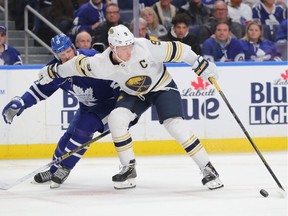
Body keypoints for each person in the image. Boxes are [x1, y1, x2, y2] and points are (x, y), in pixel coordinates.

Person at [38, 24, 224, 191]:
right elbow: (75, 66)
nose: (129, 51)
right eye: (123, 48)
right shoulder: (100, 64)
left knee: (175, 125)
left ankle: (208, 169)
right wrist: (52, 71)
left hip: (161, 87)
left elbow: (179, 50)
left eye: (129, 45)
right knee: (116, 118)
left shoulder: (145, 46)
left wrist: (199, 63)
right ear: (112, 47)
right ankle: (128, 168)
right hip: (132, 93)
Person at [2, 33, 119, 189]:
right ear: (56, 55)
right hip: (87, 106)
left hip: (108, 104)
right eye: (62, 55)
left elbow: (116, 79)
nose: (67, 57)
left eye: (68, 52)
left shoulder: (91, 59)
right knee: (68, 136)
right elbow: (39, 90)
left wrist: (125, 108)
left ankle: (65, 168)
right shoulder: (57, 69)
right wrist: (22, 102)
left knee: (85, 128)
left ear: (73, 47)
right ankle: (53, 169)